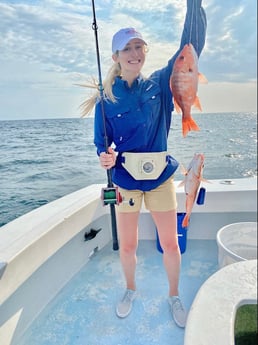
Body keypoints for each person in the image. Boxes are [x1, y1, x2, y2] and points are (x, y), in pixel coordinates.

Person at [83, 0, 207, 328]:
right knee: (128, 244)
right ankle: (130, 288)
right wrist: (105, 157)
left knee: (170, 243)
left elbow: (190, 47)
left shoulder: (161, 85)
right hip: (125, 180)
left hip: (161, 177)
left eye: (140, 47)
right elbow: (101, 144)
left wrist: (194, 4)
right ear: (116, 57)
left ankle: (174, 294)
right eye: (128, 48)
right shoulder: (105, 98)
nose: (135, 53)